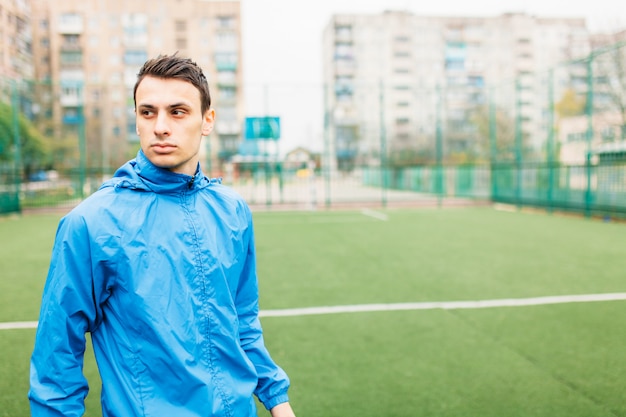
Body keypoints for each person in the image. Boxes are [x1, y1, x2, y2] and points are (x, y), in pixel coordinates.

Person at [28, 54, 296, 417]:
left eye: (178, 111)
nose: (161, 126)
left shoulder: (233, 210)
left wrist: (278, 400)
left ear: (207, 121)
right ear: (136, 120)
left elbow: (243, 321)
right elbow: (56, 356)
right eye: (148, 112)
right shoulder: (91, 223)